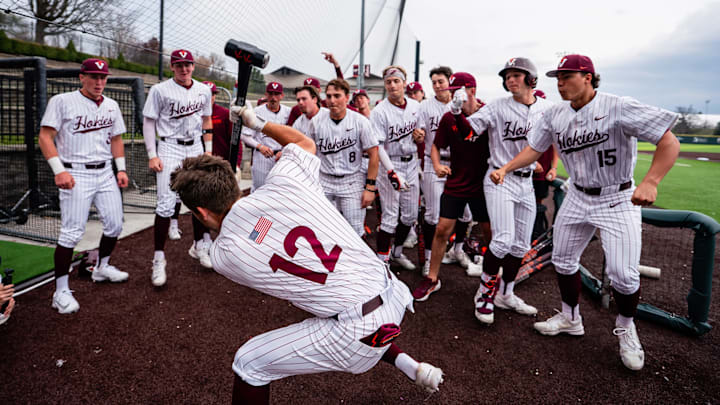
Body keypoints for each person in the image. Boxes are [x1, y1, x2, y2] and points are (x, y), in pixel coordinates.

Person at [170, 103, 444, 404]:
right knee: (335, 297)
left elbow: (244, 229)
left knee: (249, 363)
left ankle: (392, 352)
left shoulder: (223, 256)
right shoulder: (286, 180)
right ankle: (412, 366)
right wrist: (258, 123)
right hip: (392, 291)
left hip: (356, 330)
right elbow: (304, 143)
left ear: (200, 211)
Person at [490, 54, 680, 371]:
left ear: (588, 77)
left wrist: (651, 181)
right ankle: (570, 317)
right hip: (578, 195)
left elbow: (668, 141)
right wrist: (507, 168)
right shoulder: (554, 114)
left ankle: (626, 327)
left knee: (623, 274)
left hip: (617, 197)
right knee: (563, 260)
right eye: (557, 77)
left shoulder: (618, 105)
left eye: (567, 76)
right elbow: (534, 149)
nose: (560, 82)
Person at [465, 57, 554, 325]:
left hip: (526, 182)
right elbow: (469, 130)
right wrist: (465, 109)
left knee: (520, 245)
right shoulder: (497, 107)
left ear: (531, 79)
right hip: (498, 178)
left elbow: (556, 139)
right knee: (502, 240)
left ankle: (506, 294)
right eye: (507, 76)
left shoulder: (547, 109)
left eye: (517, 75)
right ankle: (484, 294)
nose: (510, 80)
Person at [38, 58, 129, 313]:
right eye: (93, 77)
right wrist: (59, 170)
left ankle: (101, 267)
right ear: (81, 77)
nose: (99, 82)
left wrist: (120, 169)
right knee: (72, 233)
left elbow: (117, 138)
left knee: (115, 224)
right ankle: (61, 291)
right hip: (75, 172)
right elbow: (45, 136)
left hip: (105, 173)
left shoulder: (111, 105)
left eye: (103, 78)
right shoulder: (63, 101)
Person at [412, 73, 491, 301]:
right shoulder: (448, 117)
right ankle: (432, 278)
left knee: (489, 232)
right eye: (452, 88)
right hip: (456, 180)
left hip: (481, 182)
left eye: (457, 89)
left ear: (471, 90)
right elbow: (436, 145)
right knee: (441, 229)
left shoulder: (488, 113)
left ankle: (491, 279)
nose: (451, 93)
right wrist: (436, 164)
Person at [143, 49, 214, 287]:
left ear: (193, 66)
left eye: (188, 64)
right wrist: (152, 154)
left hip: (194, 147)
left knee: (199, 200)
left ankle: (199, 245)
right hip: (170, 147)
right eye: (179, 65)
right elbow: (149, 122)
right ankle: (158, 259)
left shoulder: (203, 90)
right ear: (172, 66)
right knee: (165, 203)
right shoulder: (159, 90)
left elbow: (206, 119)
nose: (184, 69)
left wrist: (208, 149)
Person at [415, 66, 475, 275]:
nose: (437, 85)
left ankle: (457, 250)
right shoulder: (425, 106)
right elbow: (420, 131)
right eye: (434, 82)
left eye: (441, 81)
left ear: (450, 81)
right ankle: (430, 258)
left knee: (466, 214)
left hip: (459, 164)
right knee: (433, 215)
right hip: (435, 163)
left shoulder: (460, 103)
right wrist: (419, 135)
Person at [303, 79, 379, 236]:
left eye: (337, 96)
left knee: (355, 230)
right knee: (322, 228)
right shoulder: (316, 122)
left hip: (352, 180)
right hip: (324, 179)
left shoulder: (360, 121)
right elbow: (308, 153)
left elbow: (373, 154)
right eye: (329, 96)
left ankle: (357, 260)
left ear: (346, 97)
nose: (332, 100)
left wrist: (370, 188)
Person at [370, 65, 422, 270]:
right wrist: (392, 172)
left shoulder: (416, 106)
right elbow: (378, 146)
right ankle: (381, 264)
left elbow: (420, 132)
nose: (392, 85)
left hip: (412, 161)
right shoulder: (379, 111)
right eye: (388, 82)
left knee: (409, 216)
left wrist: (420, 135)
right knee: (390, 217)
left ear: (404, 83)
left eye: (396, 81)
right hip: (390, 163)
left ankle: (397, 252)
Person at [240, 81, 291, 192]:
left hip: (282, 156)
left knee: (280, 190)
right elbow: (244, 135)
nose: (273, 97)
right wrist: (259, 146)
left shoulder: (288, 112)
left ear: (282, 96)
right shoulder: (257, 112)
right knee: (260, 189)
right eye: (271, 94)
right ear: (266, 94)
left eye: (276, 94)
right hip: (262, 156)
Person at [529, 90, 559, 240]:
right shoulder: (527, 120)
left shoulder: (550, 122)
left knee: (538, 202)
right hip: (525, 171)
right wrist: (532, 162)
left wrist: (554, 168)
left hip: (542, 173)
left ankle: (536, 232)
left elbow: (555, 147)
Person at [287, 52, 345, 126]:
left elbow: (341, 87)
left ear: (319, 90)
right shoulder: (297, 109)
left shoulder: (327, 104)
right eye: (308, 89)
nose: (311, 91)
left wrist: (336, 66)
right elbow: (290, 129)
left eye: (314, 88)